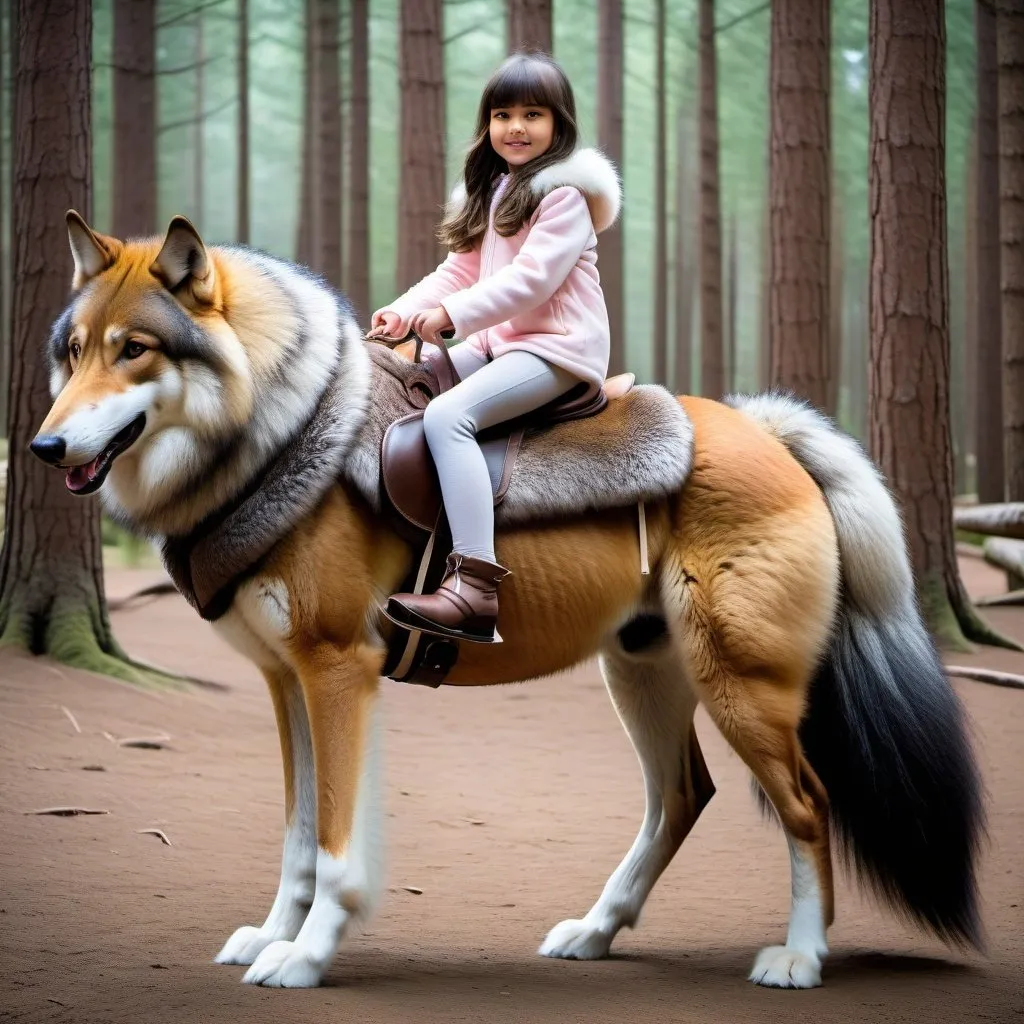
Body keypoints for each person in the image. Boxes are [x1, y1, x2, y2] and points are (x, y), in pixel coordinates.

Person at [368, 51, 621, 643]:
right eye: (502, 114)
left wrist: (450, 318)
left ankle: (475, 587)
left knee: (449, 417)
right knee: (405, 381)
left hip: (555, 352)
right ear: (487, 125)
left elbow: (530, 280)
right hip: (501, 347)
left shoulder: (564, 198)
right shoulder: (494, 191)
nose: (516, 127)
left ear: (559, 124)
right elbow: (456, 272)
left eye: (533, 114)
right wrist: (403, 311)